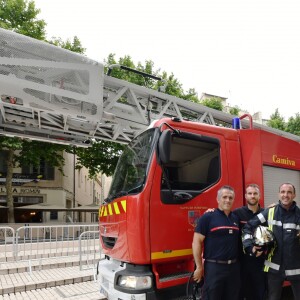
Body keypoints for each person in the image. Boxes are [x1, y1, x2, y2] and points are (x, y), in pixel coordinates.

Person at [242, 183, 300, 300]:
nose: (285, 195)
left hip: (296, 269)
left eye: (289, 192)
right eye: (283, 192)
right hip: (274, 269)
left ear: (294, 195)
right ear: (279, 194)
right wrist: (249, 247)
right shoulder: (270, 212)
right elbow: (248, 227)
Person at [192, 185, 240, 300]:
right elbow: (196, 242)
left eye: (230, 198)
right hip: (214, 268)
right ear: (218, 199)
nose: (227, 200)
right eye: (224, 197)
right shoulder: (208, 217)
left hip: (233, 268)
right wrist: (199, 267)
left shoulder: (235, 218)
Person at [234, 184, 266, 300]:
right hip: (242, 262)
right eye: (250, 193)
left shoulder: (266, 213)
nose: (252, 196)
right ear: (245, 196)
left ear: (259, 196)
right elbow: (223, 218)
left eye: (255, 193)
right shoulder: (237, 213)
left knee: (259, 294)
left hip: (260, 262)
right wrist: (211, 211)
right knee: (241, 293)